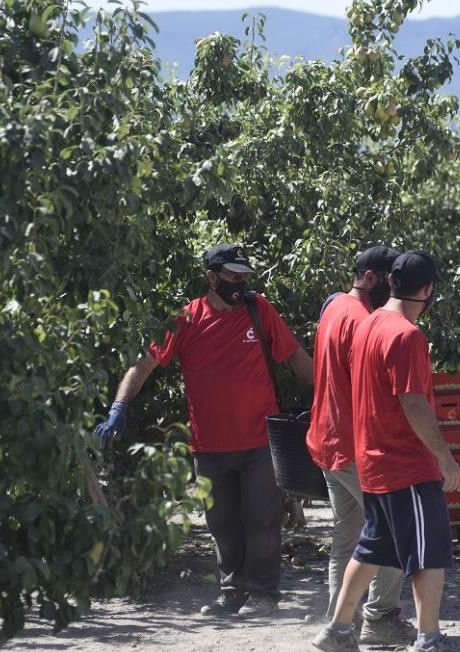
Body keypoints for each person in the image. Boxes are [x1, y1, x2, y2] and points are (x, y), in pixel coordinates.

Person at [94, 244, 314, 618]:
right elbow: (143, 365)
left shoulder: (259, 311)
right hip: (209, 447)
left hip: (260, 441)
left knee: (262, 521)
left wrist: (330, 394)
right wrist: (119, 406)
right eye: (232, 276)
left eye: (244, 276)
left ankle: (263, 594)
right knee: (222, 524)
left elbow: (296, 357)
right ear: (211, 277)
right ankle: (231, 593)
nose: (240, 283)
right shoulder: (186, 320)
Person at [312, 250, 460, 652]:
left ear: (391, 283)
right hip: (405, 463)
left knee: (372, 549)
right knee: (429, 552)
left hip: (371, 461)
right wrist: (444, 458)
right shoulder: (406, 335)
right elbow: (413, 402)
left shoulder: (367, 324)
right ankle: (429, 642)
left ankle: (337, 630)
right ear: (428, 290)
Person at [306, 245, 417, 645]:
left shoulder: (333, 308)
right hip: (353, 445)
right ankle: (380, 616)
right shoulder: (363, 321)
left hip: (326, 439)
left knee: (348, 533)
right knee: (391, 530)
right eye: (388, 283)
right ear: (370, 279)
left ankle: (341, 620)